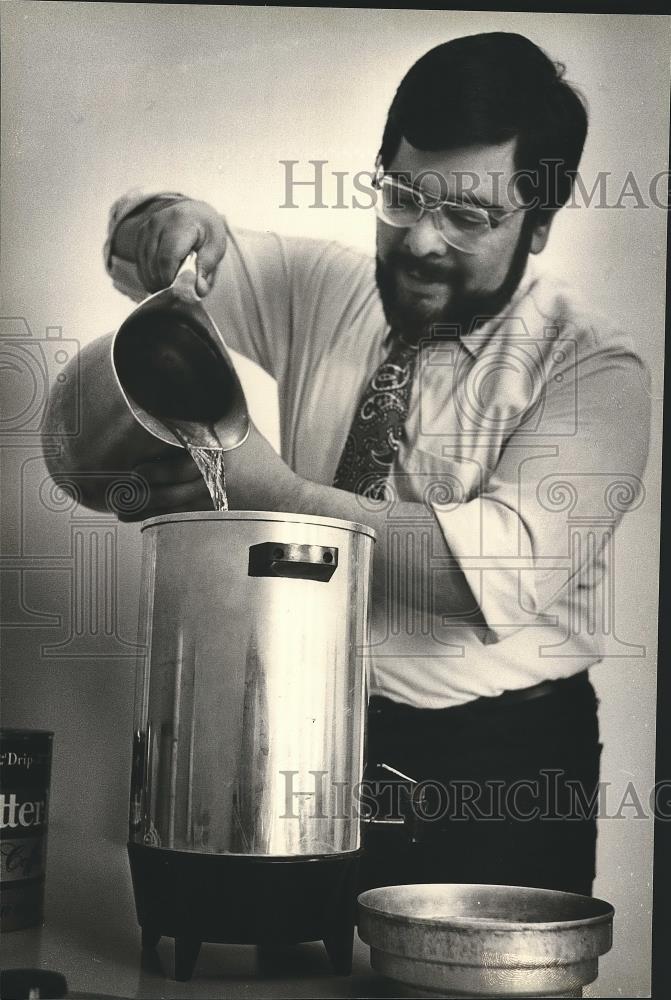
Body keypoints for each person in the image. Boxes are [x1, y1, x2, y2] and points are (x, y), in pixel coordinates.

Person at [45, 32, 651, 897]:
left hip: (499, 776)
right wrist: (171, 224)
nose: (421, 243)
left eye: (468, 216)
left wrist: (267, 489)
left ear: (541, 222)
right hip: (311, 737)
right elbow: (156, 258)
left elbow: (489, 569)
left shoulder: (593, 366)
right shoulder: (326, 288)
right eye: (402, 197)